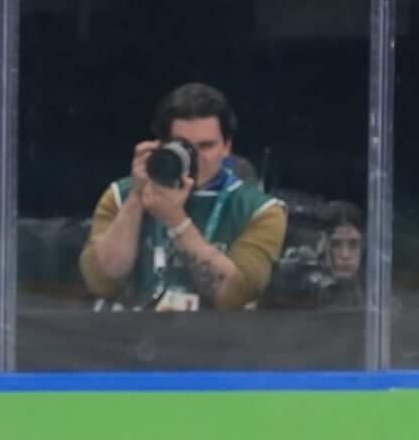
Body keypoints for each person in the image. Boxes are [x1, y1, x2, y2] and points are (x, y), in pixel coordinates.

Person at [80, 80, 287, 312]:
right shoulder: (121, 195)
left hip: (216, 342)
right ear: (161, 145)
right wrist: (136, 198)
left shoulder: (261, 210)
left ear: (227, 146)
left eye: (206, 146)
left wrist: (177, 222)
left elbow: (234, 294)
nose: (196, 158)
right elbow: (101, 281)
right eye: (184, 147)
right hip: (132, 338)